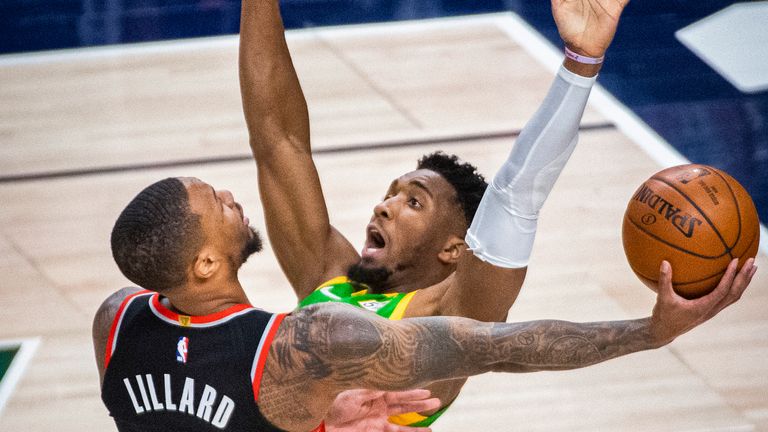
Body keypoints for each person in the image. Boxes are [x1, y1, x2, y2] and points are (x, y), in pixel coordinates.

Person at [95, 175, 756, 432]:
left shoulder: (116, 322)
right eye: (219, 204)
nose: (233, 198)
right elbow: (492, 346)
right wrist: (648, 331)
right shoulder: (303, 347)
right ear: (206, 263)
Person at [241, 0, 628, 425]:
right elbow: (278, 139)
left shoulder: (449, 323)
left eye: (413, 202)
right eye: (392, 194)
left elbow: (518, 195)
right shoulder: (330, 278)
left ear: (454, 249)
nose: (383, 207)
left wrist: (582, 62)